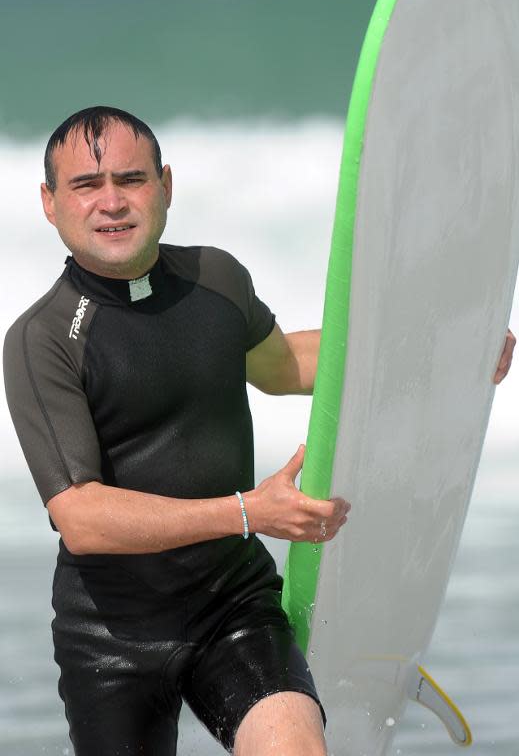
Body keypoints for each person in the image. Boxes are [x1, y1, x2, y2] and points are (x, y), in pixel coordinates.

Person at [3, 106, 515, 756]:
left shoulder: (214, 279)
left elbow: (282, 366)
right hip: (112, 635)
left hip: (232, 607)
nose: (111, 202)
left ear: (164, 184)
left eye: (130, 180)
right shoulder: (43, 338)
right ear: (51, 203)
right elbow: (81, 516)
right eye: (85, 185)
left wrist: (442, 350)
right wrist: (248, 512)